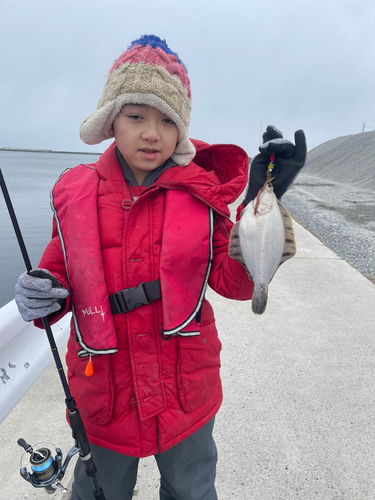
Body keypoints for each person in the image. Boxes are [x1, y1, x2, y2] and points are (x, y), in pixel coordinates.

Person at [15, 35, 306, 500]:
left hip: (185, 392)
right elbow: (60, 275)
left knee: (191, 489)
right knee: (98, 493)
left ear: (181, 132)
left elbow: (230, 282)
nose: (152, 133)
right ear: (112, 120)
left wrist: (261, 202)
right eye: (136, 117)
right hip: (103, 400)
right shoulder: (74, 194)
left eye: (167, 120)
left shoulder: (201, 195)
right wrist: (40, 292)